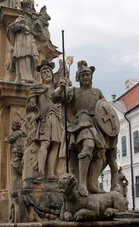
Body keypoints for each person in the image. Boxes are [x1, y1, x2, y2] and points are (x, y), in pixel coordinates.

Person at [53, 60, 120, 196]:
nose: (85, 77)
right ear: (78, 77)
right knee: (88, 144)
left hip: (96, 124)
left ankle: (92, 184)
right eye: (82, 75)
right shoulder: (74, 91)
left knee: (101, 153)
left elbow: (106, 110)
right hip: (81, 123)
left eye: (87, 74)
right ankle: (82, 183)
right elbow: (55, 98)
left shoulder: (97, 92)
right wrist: (60, 88)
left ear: (91, 76)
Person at [26, 59, 63, 180]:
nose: (47, 74)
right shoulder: (37, 88)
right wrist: (31, 105)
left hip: (56, 117)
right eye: (44, 72)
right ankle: (41, 172)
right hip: (44, 119)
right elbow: (31, 102)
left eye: (49, 72)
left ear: (52, 74)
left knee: (56, 144)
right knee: (45, 143)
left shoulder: (56, 87)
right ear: (41, 76)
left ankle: (51, 173)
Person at [7, 0, 39, 83]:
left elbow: (38, 33)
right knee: (24, 57)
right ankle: (25, 78)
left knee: (35, 58)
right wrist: (23, 26)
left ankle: (33, 76)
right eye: (28, 8)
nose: (30, 10)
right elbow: (12, 28)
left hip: (31, 41)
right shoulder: (20, 19)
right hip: (22, 43)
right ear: (24, 10)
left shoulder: (33, 21)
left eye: (31, 8)